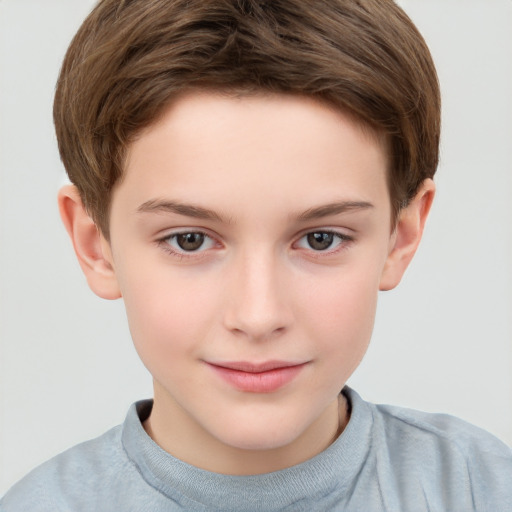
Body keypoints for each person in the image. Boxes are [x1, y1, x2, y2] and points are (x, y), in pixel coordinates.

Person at [1, 0, 511, 510]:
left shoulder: (480, 488)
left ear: (401, 236)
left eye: (320, 239)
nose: (258, 315)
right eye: (189, 240)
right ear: (97, 245)